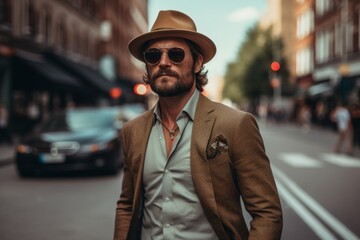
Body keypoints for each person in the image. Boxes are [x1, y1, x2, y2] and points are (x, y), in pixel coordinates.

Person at [114, 10, 283, 240]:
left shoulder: (235, 125)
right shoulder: (132, 131)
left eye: (175, 54)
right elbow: (127, 205)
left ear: (197, 62)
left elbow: (267, 213)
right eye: (153, 55)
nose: (163, 63)